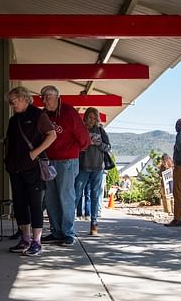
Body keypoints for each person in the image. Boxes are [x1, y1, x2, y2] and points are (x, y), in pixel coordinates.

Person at [4, 86, 57, 256]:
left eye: (14, 102)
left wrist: (34, 153)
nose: (13, 106)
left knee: (35, 205)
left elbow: (52, 135)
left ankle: (36, 242)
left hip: (33, 168)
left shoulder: (38, 115)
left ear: (23, 98)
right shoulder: (14, 120)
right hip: (15, 168)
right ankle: (25, 239)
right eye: (11, 103)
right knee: (20, 205)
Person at [39, 85, 90, 246]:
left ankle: (68, 232)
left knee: (66, 196)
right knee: (51, 198)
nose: (45, 100)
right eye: (43, 97)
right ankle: (56, 231)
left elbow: (84, 139)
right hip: (48, 160)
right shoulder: (44, 115)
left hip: (67, 161)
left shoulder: (69, 112)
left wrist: (72, 152)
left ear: (57, 97)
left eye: (48, 97)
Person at [75, 107, 111, 235]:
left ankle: (94, 224)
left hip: (97, 167)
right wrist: (87, 143)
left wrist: (99, 143)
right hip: (82, 166)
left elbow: (108, 147)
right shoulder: (80, 129)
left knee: (95, 196)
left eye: (95, 118)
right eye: (90, 117)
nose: (92, 120)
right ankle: (69, 224)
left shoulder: (101, 130)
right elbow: (75, 147)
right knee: (76, 194)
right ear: (85, 117)